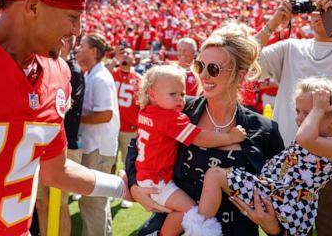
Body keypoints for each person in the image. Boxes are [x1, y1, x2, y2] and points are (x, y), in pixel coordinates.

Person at [0, 0, 125, 236]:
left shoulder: (58, 73)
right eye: (72, 17)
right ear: (32, 7)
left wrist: (123, 188)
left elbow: (56, 170)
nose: (77, 30)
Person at [126, 21, 285, 236]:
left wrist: (273, 227)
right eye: (200, 66)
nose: (204, 76)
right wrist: (135, 186)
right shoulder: (179, 110)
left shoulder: (264, 130)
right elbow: (138, 144)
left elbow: (283, 198)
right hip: (173, 227)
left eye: (214, 69)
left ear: (240, 75)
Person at [256, 0, 332, 236]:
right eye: (313, 6)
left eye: (323, 7)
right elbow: (243, 63)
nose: (315, 13)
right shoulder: (290, 47)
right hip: (290, 161)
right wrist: (273, 24)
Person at [191, 77, 332, 236]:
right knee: (217, 175)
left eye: (308, 114)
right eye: (298, 111)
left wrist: (319, 108)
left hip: (287, 201)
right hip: (275, 194)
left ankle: (199, 230)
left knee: (215, 175)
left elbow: (304, 138)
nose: (299, 118)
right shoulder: (311, 140)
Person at [136, 64, 248, 235]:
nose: (181, 99)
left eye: (182, 94)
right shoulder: (170, 118)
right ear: (152, 94)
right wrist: (230, 138)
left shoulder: (146, 111)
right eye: (173, 94)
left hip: (147, 177)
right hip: (157, 182)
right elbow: (200, 138)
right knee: (190, 212)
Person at [35, 36, 85, 236]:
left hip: (65, 145)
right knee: (41, 202)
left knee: (61, 204)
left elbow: (65, 106)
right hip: (41, 144)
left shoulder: (72, 70)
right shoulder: (44, 67)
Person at [75, 33, 120, 236]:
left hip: (99, 148)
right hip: (95, 145)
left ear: (93, 51)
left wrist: (76, 117)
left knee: (93, 201)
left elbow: (105, 114)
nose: (78, 49)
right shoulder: (92, 74)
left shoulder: (100, 77)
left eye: (82, 46)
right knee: (95, 200)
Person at [112, 47, 142, 208]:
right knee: (110, 160)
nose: (125, 56)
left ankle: (127, 194)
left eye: (128, 54)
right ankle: (110, 191)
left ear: (134, 59)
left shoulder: (138, 78)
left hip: (129, 128)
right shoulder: (112, 73)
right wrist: (114, 61)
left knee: (127, 162)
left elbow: (142, 105)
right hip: (111, 126)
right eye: (122, 53)